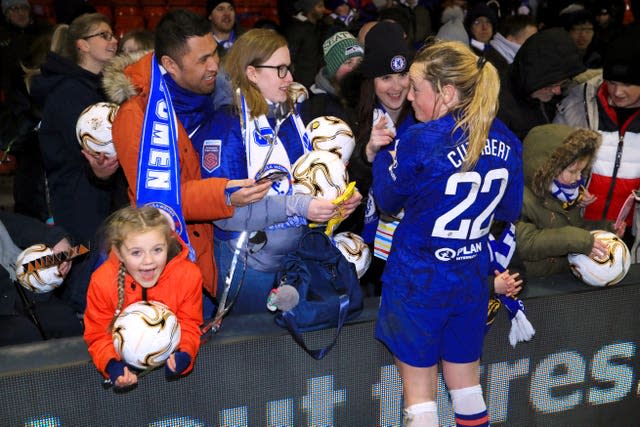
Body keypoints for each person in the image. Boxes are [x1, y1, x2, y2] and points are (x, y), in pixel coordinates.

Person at [372, 39, 523, 426]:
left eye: (417, 89)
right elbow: (508, 210)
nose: (409, 98)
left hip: (418, 283)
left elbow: (388, 199)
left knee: (420, 398)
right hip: (470, 280)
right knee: (468, 390)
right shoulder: (505, 137)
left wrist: (379, 156)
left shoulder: (422, 139)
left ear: (447, 92)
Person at [196, 28, 361, 314]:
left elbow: (307, 186)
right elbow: (226, 213)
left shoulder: (289, 118)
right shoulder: (225, 128)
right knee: (255, 351)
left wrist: (338, 198)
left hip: (295, 261)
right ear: (252, 73)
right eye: (280, 70)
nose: (290, 79)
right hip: (249, 267)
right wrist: (299, 206)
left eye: (289, 69)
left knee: (290, 351)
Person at [105, 9, 267, 299]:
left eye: (215, 53)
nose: (215, 65)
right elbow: (158, 201)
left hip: (225, 243)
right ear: (170, 64)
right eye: (202, 59)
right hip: (173, 261)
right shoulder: (137, 117)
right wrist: (225, 194)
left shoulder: (223, 93)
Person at [31, 13, 124, 312]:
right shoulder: (69, 91)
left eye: (113, 35)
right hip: (78, 198)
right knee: (83, 267)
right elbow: (87, 150)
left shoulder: (100, 86)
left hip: (101, 194)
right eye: (104, 35)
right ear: (82, 44)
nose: (113, 41)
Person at [84, 206, 203, 388]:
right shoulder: (102, 281)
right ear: (118, 252)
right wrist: (112, 365)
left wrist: (185, 354)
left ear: (168, 244)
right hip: (125, 370)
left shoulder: (188, 275)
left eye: (157, 250)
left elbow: (189, 323)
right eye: (136, 253)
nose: (148, 261)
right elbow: (97, 333)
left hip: (169, 375)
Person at [342, 21, 416, 295]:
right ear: (371, 82)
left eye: (403, 75)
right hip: (364, 242)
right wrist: (367, 153)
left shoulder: (424, 116)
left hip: (411, 245)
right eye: (386, 78)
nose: (397, 87)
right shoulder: (351, 120)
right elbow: (339, 190)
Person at [554, 28, 640, 243]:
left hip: (631, 235)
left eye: (628, 84)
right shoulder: (576, 104)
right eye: (611, 82)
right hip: (576, 229)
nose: (618, 92)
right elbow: (548, 163)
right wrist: (569, 188)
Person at [515, 124, 622, 278]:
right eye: (573, 171)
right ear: (546, 167)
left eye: (581, 171)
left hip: (561, 278)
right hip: (532, 283)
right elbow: (526, 243)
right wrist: (577, 240)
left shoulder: (562, 194)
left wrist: (606, 229)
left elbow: (575, 227)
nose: (578, 177)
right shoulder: (518, 198)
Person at [0, 211, 82, 345]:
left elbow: (25, 227)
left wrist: (61, 241)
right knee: (23, 334)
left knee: (65, 319)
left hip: (18, 294)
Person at [498, 28, 586, 140]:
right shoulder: (498, 103)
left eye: (563, 83)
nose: (557, 91)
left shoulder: (548, 96)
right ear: (532, 78)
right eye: (550, 85)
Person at [300, 30, 364, 125]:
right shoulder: (318, 107)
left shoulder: (366, 94)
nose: (355, 68)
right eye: (348, 62)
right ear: (333, 69)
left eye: (359, 62)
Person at [285, 0, 328, 89]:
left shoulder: (319, 26)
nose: (324, 9)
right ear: (310, 9)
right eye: (320, 6)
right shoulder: (297, 29)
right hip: (303, 84)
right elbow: (289, 57)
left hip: (318, 81)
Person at [485, 14, 537, 80]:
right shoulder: (494, 67)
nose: (534, 44)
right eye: (530, 40)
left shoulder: (514, 62)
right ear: (510, 39)